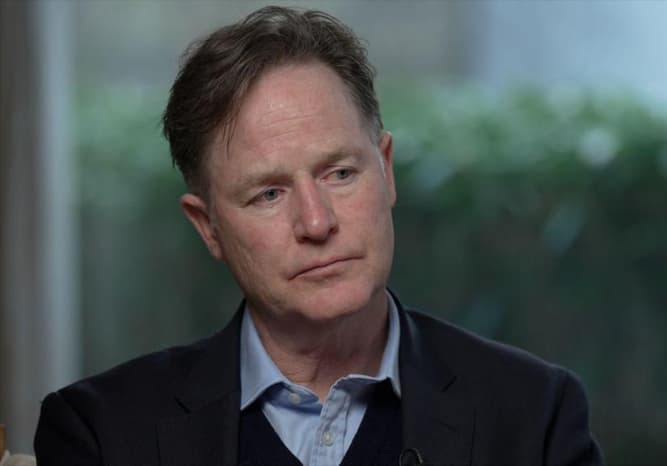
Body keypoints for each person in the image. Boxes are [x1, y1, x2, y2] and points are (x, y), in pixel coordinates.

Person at [34, 6, 603, 466]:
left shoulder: (535, 418)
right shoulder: (100, 435)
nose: (316, 222)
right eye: (269, 194)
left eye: (340, 173)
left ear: (386, 171)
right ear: (208, 227)